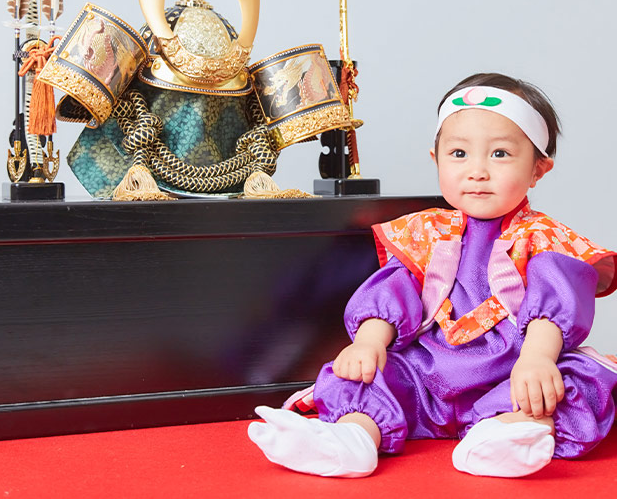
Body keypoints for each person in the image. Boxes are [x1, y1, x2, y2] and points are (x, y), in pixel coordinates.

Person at [247, 73, 617, 479]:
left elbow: (553, 305)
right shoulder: (425, 232)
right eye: (459, 153)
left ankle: (504, 434)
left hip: (511, 373)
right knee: (364, 372)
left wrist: (537, 359)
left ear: (538, 170)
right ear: (436, 158)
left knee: (572, 380)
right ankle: (353, 438)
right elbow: (395, 289)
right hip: (425, 375)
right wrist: (369, 343)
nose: (477, 171)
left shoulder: (543, 238)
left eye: (499, 154)